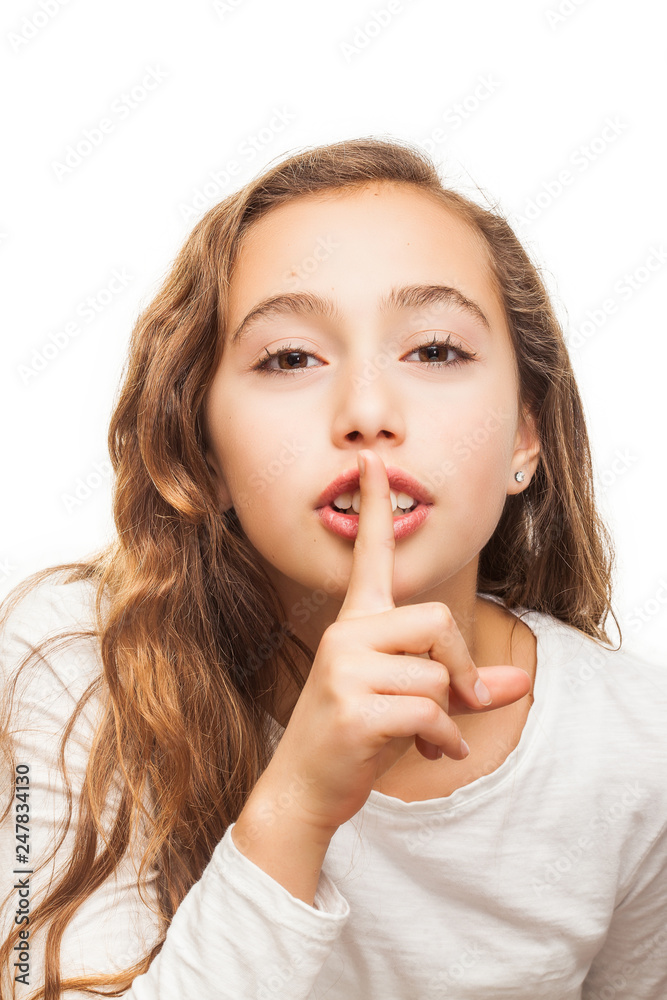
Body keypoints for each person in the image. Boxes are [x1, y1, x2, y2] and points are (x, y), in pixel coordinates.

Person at [1, 136, 665, 1000]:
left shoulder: (636, 745)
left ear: (526, 437)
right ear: (201, 452)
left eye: (433, 350)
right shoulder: (76, 663)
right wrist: (298, 802)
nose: (365, 412)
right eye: (288, 358)